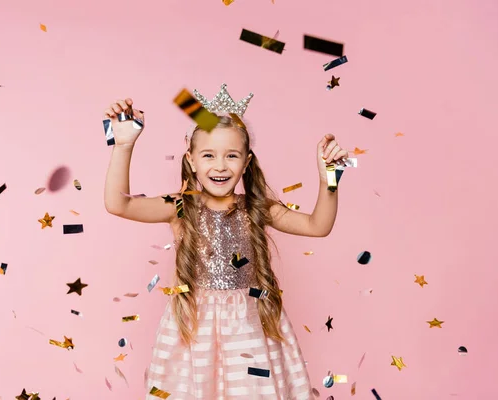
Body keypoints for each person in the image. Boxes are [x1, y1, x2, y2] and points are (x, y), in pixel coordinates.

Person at [103, 84, 349, 399]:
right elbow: (118, 203)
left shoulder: (257, 208)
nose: (220, 166)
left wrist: (330, 178)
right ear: (191, 160)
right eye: (208, 155)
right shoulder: (181, 206)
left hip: (250, 329)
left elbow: (318, 226)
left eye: (231, 156)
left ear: (246, 163)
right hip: (193, 330)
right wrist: (123, 145)